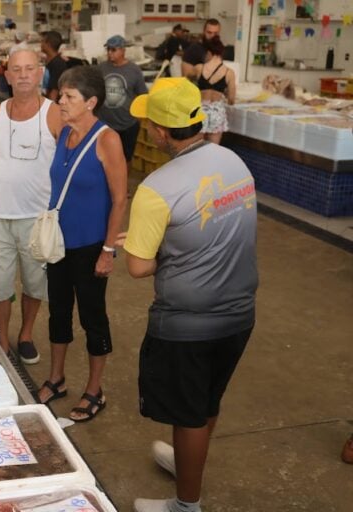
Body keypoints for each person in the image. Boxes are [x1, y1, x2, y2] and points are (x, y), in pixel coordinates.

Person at [120, 77, 258, 512]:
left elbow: (138, 266)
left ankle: (185, 504)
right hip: (239, 313)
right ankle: (188, 464)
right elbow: (228, 230)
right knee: (208, 399)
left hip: (187, 321)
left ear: (160, 131)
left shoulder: (156, 188)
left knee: (188, 413)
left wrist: (160, 248)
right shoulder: (234, 161)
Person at [36, 65, 127, 422]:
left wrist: (108, 250)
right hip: (59, 242)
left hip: (91, 246)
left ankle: (95, 390)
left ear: (91, 102)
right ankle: (56, 378)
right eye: (61, 94)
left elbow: (120, 199)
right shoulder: (64, 134)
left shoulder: (107, 140)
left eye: (69, 97)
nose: (60, 101)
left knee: (92, 317)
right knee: (58, 310)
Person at [0, 48, 62, 362]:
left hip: (36, 218)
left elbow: (68, 165)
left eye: (29, 68)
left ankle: (25, 334)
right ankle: (4, 341)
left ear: (40, 73)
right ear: (6, 76)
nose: (22, 75)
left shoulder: (54, 114)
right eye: (16, 69)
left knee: (35, 283)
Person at [98, 35, 148, 164]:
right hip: (105, 123)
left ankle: (123, 183)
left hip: (127, 124)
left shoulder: (134, 70)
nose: (110, 53)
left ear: (123, 50)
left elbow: (142, 95)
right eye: (108, 49)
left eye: (113, 50)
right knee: (105, 159)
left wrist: (138, 118)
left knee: (125, 159)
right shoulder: (101, 68)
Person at [197, 36, 235, 145]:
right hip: (217, 113)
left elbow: (186, 79)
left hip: (200, 112)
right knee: (213, 149)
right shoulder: (229, 72)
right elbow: (231, 100)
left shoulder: (199, 68)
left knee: (197, 149)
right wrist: (225, 94)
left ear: (209, 52)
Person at [41, 31, 67, 101]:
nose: (41, 44)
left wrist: (49, 109)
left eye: (43, 41)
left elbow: (54, 92)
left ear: (48, 44)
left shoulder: (57, 64)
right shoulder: (51, 61)